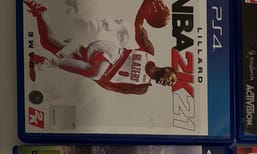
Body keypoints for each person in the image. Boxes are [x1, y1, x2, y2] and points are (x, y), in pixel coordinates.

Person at [25, 0, 178, 93]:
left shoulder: (142, 87)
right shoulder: (149, 52)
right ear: (167, 70)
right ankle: (48, 63)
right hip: (111, 53)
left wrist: (88, 72)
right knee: (96, 72)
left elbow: (114, 87)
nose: (168, 84)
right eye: (170, 80)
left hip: (95, 66)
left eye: (169, 85)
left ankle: (39, 13)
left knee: (48, 43)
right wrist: (146, 3)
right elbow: (138, 26)